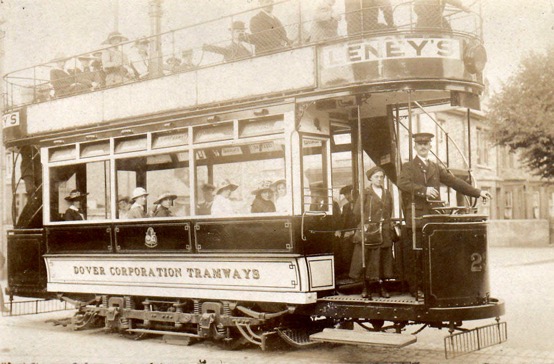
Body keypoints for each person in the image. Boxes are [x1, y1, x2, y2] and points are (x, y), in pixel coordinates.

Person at [397, 132, 492, 299]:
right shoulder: (408, 167)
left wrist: (478, 192)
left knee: (434, 254)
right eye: (420, 144)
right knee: (417, 254)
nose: (423, 146)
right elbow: (402, 183)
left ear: (430, 146)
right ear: (415, 146)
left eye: (426, 143)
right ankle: (415, 288)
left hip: (434, 217)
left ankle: (431, 287)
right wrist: (423, 190)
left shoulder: (435, 167)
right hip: (417, 218)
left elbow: (455, 182)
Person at [350, 167, 394, 299]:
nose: (379, 179)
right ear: (370, 178)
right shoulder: (365, 193)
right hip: (369, 231)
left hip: (384, 231)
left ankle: (382, 288)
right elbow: (357, 212)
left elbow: (389, 211)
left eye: (381, 177)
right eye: (376, 177)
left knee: (383, 260)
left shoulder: (387, 193)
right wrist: (367, 224)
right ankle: (366, 287)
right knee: (367, 259)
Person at [336, 185, 357, 278]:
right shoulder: (346, 207)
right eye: (345, 195)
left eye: (348, 194)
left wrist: (353, 232)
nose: (347, 197)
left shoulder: (360, 205)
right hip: (346, 233)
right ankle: (344, 271)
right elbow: (342, 221)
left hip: (357, 233)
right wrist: (339, 230)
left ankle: (351, 273)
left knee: (347, 246)